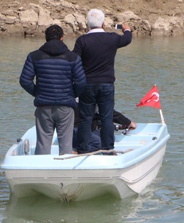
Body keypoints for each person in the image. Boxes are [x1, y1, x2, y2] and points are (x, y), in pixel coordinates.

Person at [19, 24, 86, 155]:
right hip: (65, 105)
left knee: (43, 144)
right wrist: (71, 95)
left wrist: (38, 93)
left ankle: (40, 173)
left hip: (43, 106)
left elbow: (25, 80)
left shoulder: (34, 56)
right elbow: (81, 82)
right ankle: (63, 172)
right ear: (62, 38)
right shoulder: (73, 57)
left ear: (46, 38)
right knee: (66, 145)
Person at [73, 9, 132, 154]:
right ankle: (108, 148)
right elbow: (127, 39)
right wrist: (127, 30)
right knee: (106, 116)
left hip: (87, 84)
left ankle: (82, 148)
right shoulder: (112, 38)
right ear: (103, 23)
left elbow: (74, 61)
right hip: (106, 84)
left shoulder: (82, 40)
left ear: (87, 24)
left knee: (86, 117)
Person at [72, 107, 137, 153]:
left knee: (109, 137)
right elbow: (107, 112)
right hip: (75, 131)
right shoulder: (89, 97)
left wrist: (119, 126)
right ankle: (78, 152)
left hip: (87, 130)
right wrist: (128, 122)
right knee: (101, 143)